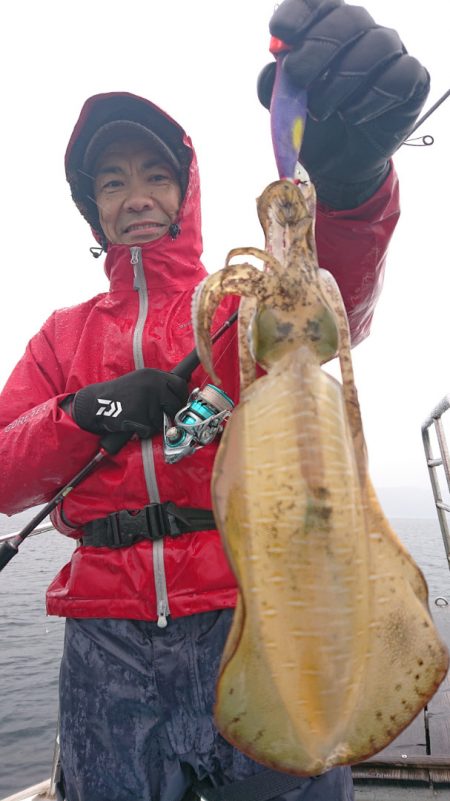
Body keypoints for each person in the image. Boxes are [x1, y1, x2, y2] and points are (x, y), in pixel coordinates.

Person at [0, 1, 430, 800]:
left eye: (155, 174)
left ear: (185, 189)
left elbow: (327, 304)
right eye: (112, 180)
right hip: (106, 637)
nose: (135, 196)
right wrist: (82, 411)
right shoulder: (58, 338)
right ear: (92, 205)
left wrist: (355, 186)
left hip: (245, 607)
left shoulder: (234, 305)